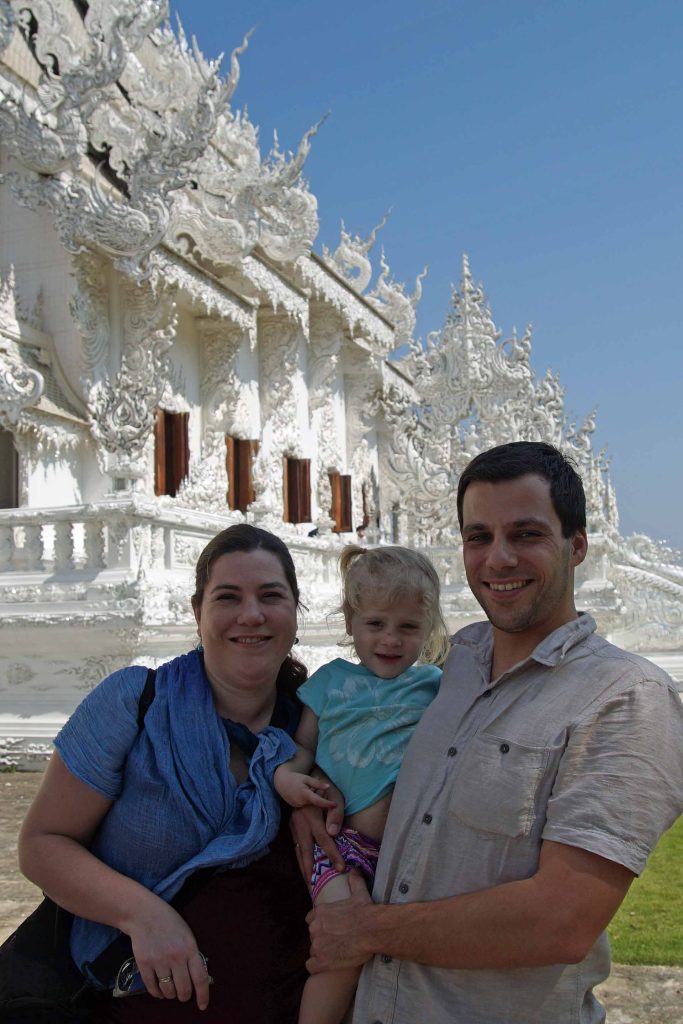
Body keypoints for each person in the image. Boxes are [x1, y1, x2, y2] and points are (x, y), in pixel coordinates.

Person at [297, 441, 683, 1024]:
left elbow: (562, 920)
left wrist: (366, 931)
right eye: (479, 537)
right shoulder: (445, 670)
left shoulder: (626, 697)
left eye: (526, 534)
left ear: (576, 546)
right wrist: (314, 798)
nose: (498, 559)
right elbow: (355, 734)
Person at [18, 524, 321, 1023]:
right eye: (228, 597)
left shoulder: (323, 726)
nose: (251, 614)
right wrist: (143, 915)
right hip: (125, 1007)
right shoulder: (135, 703)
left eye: (271, 596)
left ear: (295, 611)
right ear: (196, 610)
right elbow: (43, 844)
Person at [275, 545, 450, 1024]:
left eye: (408, 627)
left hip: (411, 858)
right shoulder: (331, 682)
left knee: (403, 965)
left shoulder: (435, 685)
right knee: (341, 951)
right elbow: (303, 746)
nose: (391, 640)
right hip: (339, 848)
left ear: (429, 628)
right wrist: (289, 776)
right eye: (376, 624)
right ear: (351, 622)